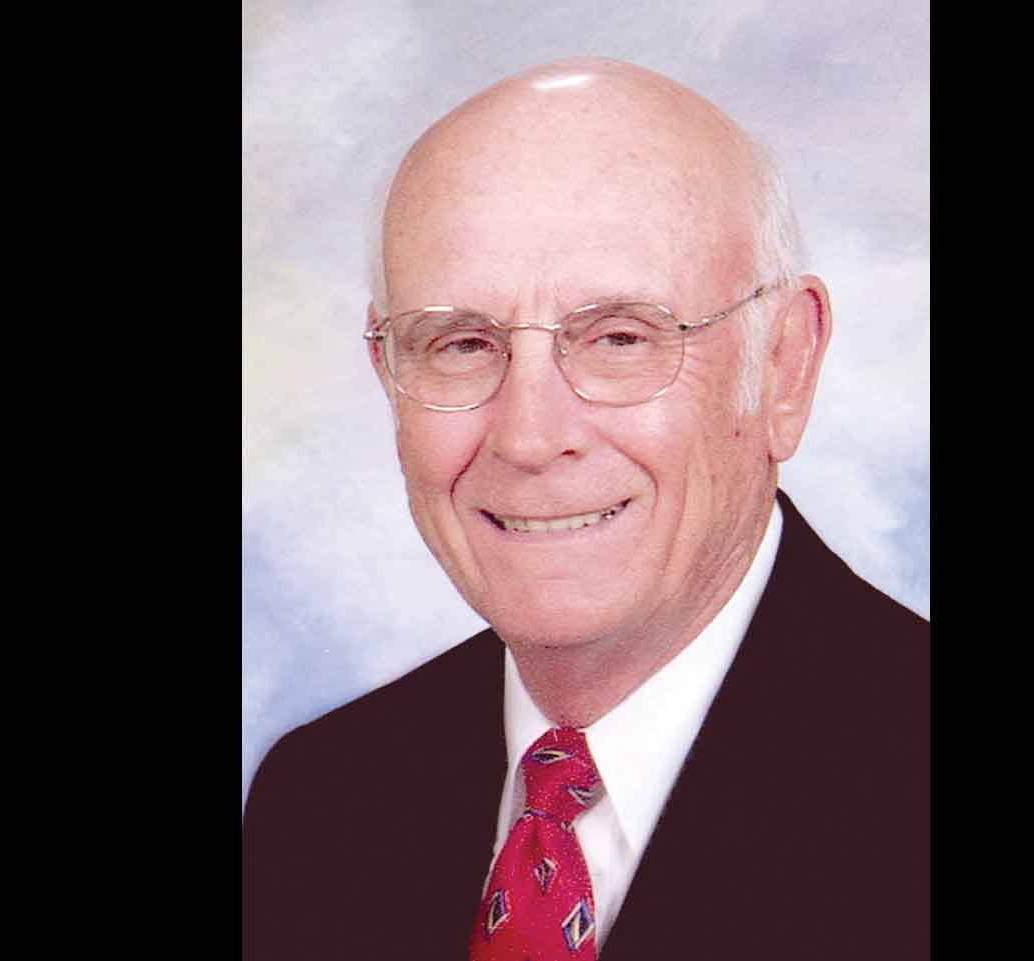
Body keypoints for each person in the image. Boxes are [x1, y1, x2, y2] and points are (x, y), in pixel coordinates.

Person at [243, 57, 927, 959]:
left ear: (785, 364)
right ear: (389, 373)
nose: (530, 436)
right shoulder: (320, 802)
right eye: (461, 344)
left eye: (619, 337)